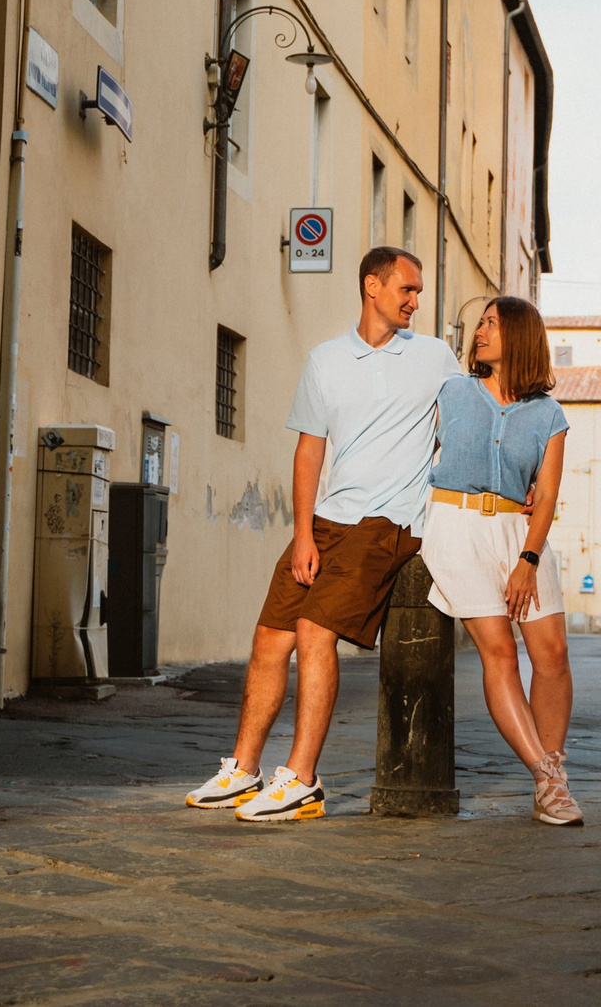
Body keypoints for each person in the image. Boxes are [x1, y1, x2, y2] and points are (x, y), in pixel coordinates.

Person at [184, 246, 460, 822]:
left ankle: (303, 780)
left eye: (418, 292)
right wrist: (303, 533)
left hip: (390, 521)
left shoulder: (436, 357)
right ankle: (243, 770)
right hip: (329, 519)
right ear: (372, 287)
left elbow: (466, 426)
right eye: (407, 290)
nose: (415, 301)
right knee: (269, 637)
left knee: (314, 632)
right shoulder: (325, 360)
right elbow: (309, 450)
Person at [419, 296, 584, 825]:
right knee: (500, 652)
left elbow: (549, 494)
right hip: (457, 525)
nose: (479, 331)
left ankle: (551, 765)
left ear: (519, 335)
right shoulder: (451, 391)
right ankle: (546, 779)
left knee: (553, 653)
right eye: (480, 323)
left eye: (491, 323)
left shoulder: (549, 415)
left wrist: (528, 559)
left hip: (520, 531)